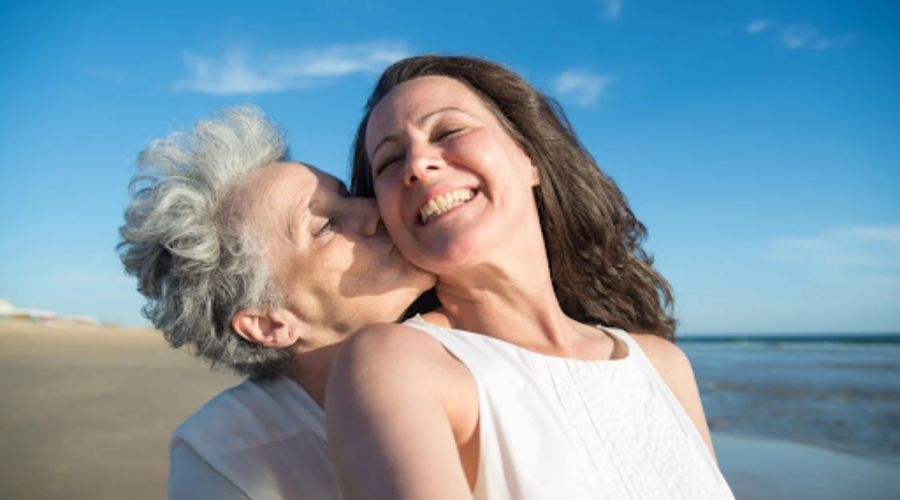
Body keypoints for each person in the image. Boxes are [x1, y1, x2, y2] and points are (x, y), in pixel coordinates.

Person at [327, 55, 735, 499]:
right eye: (389, 162)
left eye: (448, 131)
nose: (417, 164)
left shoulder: (662, 365)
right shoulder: (401, 363)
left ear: (529, 160)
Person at [118, 106, 434, 499]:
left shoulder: (479, 340)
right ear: (269, 324)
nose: (374, 210)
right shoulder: (224, 460)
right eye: (324, 226)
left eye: (348, 195)